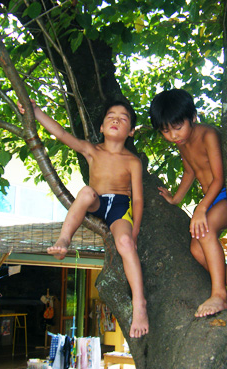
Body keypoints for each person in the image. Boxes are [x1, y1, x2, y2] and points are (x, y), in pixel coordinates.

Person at [18, 98, 148, 338]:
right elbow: (62, 134)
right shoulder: (92, 150)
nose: (116, 119)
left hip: (120, 208)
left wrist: (135, 230)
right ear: (101, 127)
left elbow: (137, 200)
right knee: (86, 192)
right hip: (97, 200)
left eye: (123, 117)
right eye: (111, 115)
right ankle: (64, 240)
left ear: (130, 131)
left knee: (126, 244)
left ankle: (139, 304)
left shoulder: (133, 161)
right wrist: (36, 112)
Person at [150, 88, 227, 317]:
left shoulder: (209, 135)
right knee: (196, 249)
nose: (174, 136)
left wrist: (201, 208)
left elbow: (219, 178)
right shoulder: (182, 142)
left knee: (204, 229)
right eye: (166, 131)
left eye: (178, 127)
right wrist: (175, 199)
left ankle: (220, 295)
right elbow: (190, 171)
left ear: (193, 117)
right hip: (212, 198)